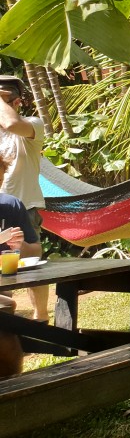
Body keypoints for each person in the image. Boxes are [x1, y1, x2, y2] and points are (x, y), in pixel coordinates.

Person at [0, 76, 49, 322]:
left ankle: (41, 319)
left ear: (16, 101)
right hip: (1, 209)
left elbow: (10, 123)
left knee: (32, 264)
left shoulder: (32, 125)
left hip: (25, 207)